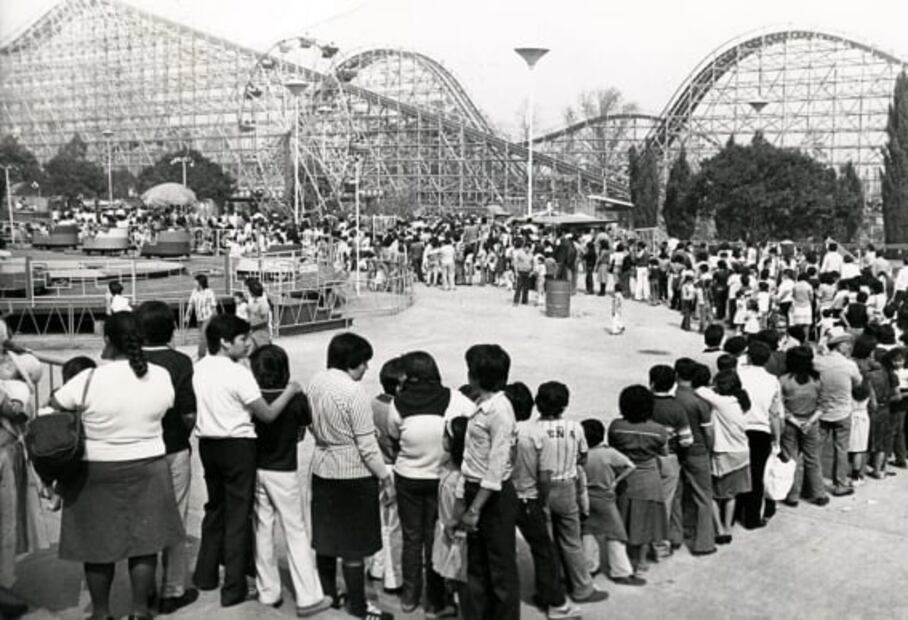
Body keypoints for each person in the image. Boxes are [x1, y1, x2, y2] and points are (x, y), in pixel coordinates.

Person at [52, 312, 182, 620]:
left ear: (107, 340)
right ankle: (139, 610)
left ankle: (101, 613)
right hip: (149, 464)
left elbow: (54, 407)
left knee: (97, 547)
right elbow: (168, 406)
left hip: (95, 469)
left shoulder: (89, 379)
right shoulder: (161, 375)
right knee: (145, 543)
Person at [192, 314, 301, 608]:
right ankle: (234, 587)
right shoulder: (238, 373)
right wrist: (290, 391)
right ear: (225, 342)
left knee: (214, 508)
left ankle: (205, 575)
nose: (248, 344)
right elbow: (266, 413)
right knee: (239, 515)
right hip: (237, 445)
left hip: (208, 443)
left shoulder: (199, 368)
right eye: (242, 339)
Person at [307, 333, 395, 620]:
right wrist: (384, 477)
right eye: (363, 362)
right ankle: (358, 606)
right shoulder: (354, 393)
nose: (366, 368)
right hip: (353, 473)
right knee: (354, 545)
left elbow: (310, 421)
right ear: (352, 362)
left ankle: (329, 594)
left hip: (322, 466)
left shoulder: (316, 382)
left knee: (327, 538)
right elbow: (368, 447)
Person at [386, 351, 474, 615]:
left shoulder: (398, 403)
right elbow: (470, 425)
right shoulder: (456, 399)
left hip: (408, 478)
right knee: (436, 538)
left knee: (412, 538)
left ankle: (410, 596)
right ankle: (435, 598)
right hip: (440, 478)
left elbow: (393, 436)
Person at [249, 345, 332, 617]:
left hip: (257, 467)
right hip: (284, 468)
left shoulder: (253, 398)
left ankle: (268, 590)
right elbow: (305, 429)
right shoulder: (296, 398)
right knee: (295, 530)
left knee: (263, 528)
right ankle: (308, 595)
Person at [135, 301, 199, 614]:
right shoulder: (179, 362)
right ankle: (173, 588)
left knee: (143, 519)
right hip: (173, 447)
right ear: (170, 329)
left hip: (136, 452)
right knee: (176, 518)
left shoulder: (127, 362)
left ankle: (142, 589)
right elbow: (189, 412)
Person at [508, 382, 582, 620]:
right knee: (544, 550)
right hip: (529, 499)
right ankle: (555, 601)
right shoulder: (537, 435)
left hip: (503, 497)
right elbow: (544, 476)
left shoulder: (502, 431)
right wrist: (540, 500)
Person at [458, 344, 519, 620]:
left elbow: (495, 470)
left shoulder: (500, 411)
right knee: (477, 563)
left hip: (492, 497)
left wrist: (474, 510)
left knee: (500, 567)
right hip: (475, 490)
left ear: (475, 376)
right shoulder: (482, 404)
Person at [534, 382, 606, 604]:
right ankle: (582, 588)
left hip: (540, 488)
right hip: (566, 485)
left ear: (538, 403)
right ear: (565, 405)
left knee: (546, 543)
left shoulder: (531, 429)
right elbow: (583, 458)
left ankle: (548, 590)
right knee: (571, 540)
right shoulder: (575, 427)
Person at [607, 385, 669, 573]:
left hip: (625, 477)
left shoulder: (616, 426)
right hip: (649, 477)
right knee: (646, 520)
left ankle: (626, 557)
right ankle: (642, 561)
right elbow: (664, 452)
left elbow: (613, 448)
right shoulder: (658, 430)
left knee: (624, 516)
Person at [579, 418, 644, 586]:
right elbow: (630, 466)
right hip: (605, 497)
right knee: (616, 534)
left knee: (588, 532)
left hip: (586, 497)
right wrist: (615, 481)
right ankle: (621, 571)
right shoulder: (609, 453)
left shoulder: (581, 455)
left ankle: (590, 567)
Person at [695, 370, 752, 545]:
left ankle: (719, 529)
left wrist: (710, 387)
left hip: (724, 453)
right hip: (741, 451)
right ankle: (727, 528)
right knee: (730, 495)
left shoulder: (722, 402)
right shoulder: (741, 402)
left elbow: (699, 391)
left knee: (712, 493)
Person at [368, 358, 405, 592]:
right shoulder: (399, 408)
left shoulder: (371, 402)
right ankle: (393, 577)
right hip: (394, 467)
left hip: (374, 466)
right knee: (394, 527)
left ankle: (376, 567)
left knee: (379, 522)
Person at [649, 365, 693, 555]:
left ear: (651, 383)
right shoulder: (677, 408)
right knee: (668, 501)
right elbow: (686, 440)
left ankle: (673, 536)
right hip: (670, 458)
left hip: (648, 457)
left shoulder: (646, 404)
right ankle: (662, 543)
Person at [673, 360, 716, 555]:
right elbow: (708, 433)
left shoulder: (673, 397)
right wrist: (710, 450)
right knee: (703, 497)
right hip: (697, 450)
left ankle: (674, 535)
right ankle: (704, 542)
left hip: (675, 449)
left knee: (677, 493)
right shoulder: (699, 402)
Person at [778, 347, 829, 507]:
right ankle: (819, 493)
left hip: (790, 424)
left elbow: (781, 406)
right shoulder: (817, 380)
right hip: (811, 422)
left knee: (790, 458)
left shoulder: (784, 380)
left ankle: (792, 495)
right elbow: (823, 404)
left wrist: (795, 421)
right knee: (813, 458)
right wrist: (810, 421)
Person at [814, 329, 862, 496]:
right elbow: (858, 382)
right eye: (846, 344)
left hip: (822, 411)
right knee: (841, 448)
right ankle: (840, 483)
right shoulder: (850, 365)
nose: (849, 347)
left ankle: (813, 484)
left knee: (816, 449)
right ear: (840, 346)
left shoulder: (818, 362)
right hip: (843, 410)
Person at [432, 416, 469, 617]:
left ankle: (462, 610)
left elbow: (461, 507)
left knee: (457, 574)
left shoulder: (459, 476)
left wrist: (452, 524)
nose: (443, 438)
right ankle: (451, 605)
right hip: (446, 527)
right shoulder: (449, 466)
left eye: (446, 435)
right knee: (449, 574)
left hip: (455, 531)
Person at [186, 274, 218, 360]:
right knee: (205, 336)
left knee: (202, 336)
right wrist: (187, 315)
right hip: (199, 317)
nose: (194, 283)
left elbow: (213, 306)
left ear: (200, 282)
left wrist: (215, 317)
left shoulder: (209, 292)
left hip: (208, 316)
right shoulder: (194, 291)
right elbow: (190, 304)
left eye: (195, 281)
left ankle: (201, 355)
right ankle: (213, 352)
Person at [246, 278, 272, 351]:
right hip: (253, 332)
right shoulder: (252, 302)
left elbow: (265, 319)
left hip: (261, 332)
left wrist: (252, 324)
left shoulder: (263, 303)